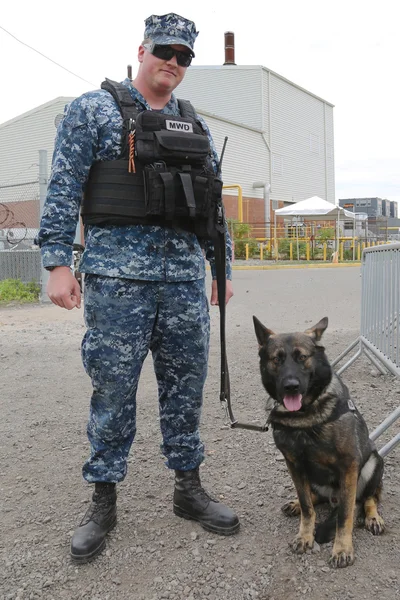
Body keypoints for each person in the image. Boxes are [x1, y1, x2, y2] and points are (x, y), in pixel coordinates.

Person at [38, 12, 239, 563]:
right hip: (117, 281)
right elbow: (63, 184)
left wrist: (221, 267)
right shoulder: (94, 109)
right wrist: (57, 260)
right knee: (113, 391)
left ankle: (188, 489)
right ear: (144, 49)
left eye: (184, 57)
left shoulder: (192, 124)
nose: (173, 62)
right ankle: (103, 500)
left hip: (181, 284)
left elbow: (214, 204)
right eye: (166, 50)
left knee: (185, 391)